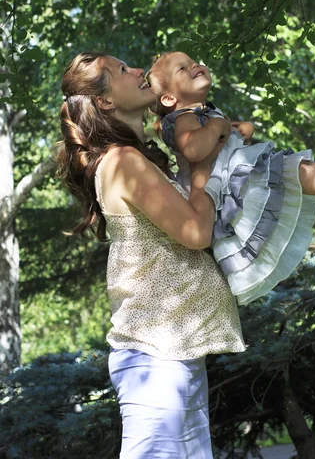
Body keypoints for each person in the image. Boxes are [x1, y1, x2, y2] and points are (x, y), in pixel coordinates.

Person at [57, 51, 246, 459]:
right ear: (105, 102)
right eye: (122, 71)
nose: (139, 71)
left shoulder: (138, 158)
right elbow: (196, 232)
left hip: (174, 352)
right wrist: (202, 172)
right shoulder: (123, 162)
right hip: (155, 360)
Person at [146, 51, 315, 306]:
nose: (195, 66)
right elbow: (194, 149)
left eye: (194, 62)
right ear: (168, 98)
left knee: (298, 166)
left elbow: (224, 136)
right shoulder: (182, 118)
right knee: (294, 172)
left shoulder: (203, 112)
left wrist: (239, 128)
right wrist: (218, 127)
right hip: (232, 187)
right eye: (182, 68)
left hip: (240, 173)